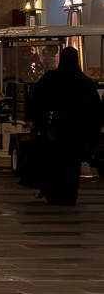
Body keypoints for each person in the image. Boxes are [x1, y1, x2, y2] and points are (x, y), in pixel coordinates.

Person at [26, 45, 102, 206]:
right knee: (73, 166)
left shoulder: (52, 79)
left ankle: (54, 194)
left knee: (55, 163)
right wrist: (92, 133)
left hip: (56, 130)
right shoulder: (84, 82)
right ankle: (70, 195)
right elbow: (95, 108)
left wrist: (35, 120)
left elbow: (38, 100)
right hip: (77, 132)